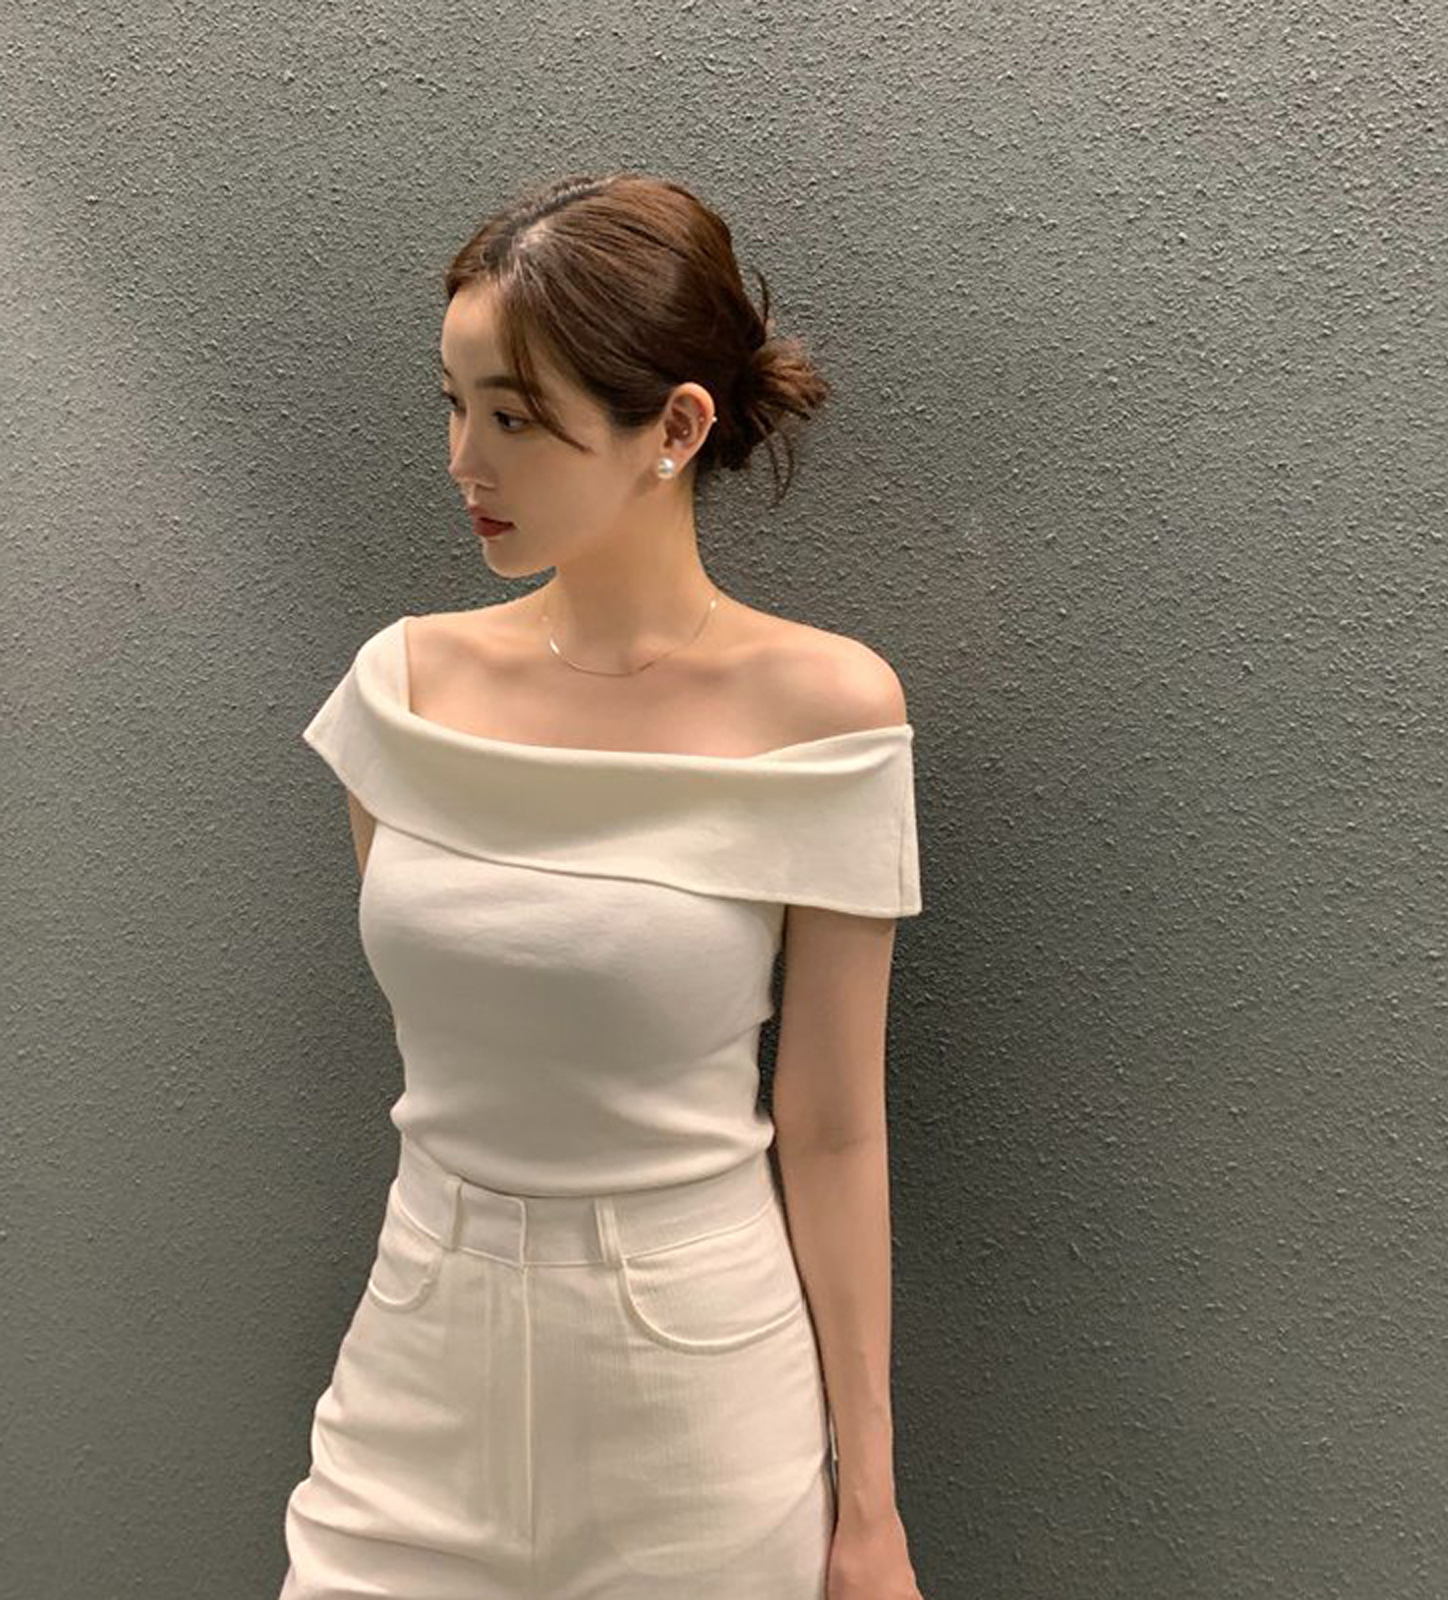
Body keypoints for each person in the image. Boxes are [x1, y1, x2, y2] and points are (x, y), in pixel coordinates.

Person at [277, 170, 926, 1600]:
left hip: (693, 1394)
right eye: (453, 406)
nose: (466, 462)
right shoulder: (404, 693)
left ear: (676, 428)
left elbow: (831, 1128)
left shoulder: (823, 714)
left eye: (514, 418)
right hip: (419, 1354)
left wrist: (868, 1510)